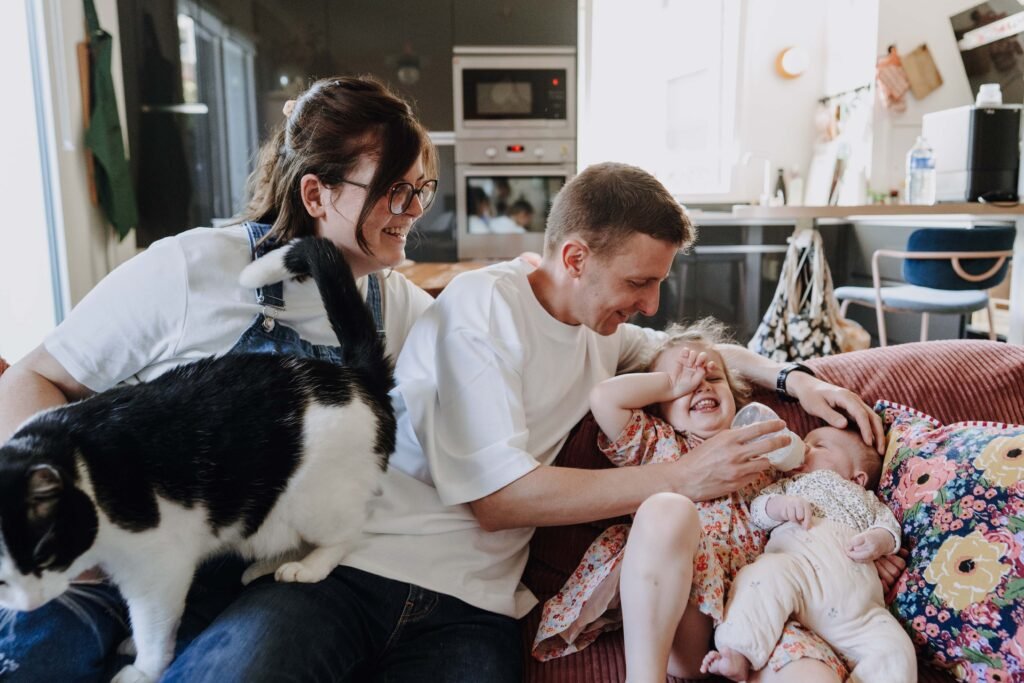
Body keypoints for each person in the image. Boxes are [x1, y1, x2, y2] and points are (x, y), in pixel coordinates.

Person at [175, 161, 880, 682]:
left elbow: (693, 353)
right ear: (575, 256)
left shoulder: (601, 329)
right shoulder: (487, 308)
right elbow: (496, 498)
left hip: (474, 609)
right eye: (640, 280)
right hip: (358, 570)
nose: (651, 301)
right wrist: (681, 476)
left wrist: (794, 379)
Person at [0, 75, 441, 680]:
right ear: (317, 194)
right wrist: (58, 518)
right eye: (395, 190)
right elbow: (30, 379)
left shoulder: (400, 309)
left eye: (422, 188)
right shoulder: (192, 269)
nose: (414, 210)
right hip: (98, 561)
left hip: (246, 580)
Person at [532, 320, 879, 681]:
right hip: (686, 621)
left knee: (814, 674)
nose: (699, 384)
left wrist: (859, 548)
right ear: (658, 407)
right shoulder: (656, 444)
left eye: (713, 379)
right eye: (683, 383)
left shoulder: (766, 452)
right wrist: (670, 383)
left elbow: (823, 499)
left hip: (761, 613)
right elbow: (604, 398)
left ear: (736, 395)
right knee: (668, 508)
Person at [701, 425, 916, 683]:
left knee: (895, 649)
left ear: (857, 478)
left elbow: (889, 527)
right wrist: (780, 507)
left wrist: (878, 540)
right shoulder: (788, 485)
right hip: (797, 571)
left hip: (859, 607)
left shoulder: (867, 500)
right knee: (762, 576)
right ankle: (738, 651)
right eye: (805, 441)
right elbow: (758, 510)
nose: (804, 447)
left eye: (819, 445)